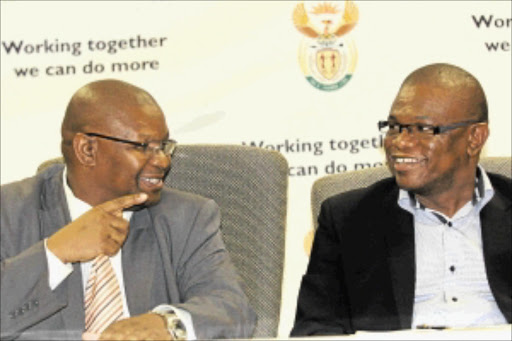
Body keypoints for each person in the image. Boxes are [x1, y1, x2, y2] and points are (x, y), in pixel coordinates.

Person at [1, 79, 256, 340]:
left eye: (164, 146)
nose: (163, 161)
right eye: (144, 147)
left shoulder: (188, 217)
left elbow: (234, 310)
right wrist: (56, 253)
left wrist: (167, 324)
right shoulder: (8, 212)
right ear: (87, 149)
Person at [291, 63, 511, 336]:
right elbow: (315, 328)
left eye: (422, 128)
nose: (400, 142)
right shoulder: (349, 219)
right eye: (394, 127)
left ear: (475, 138)